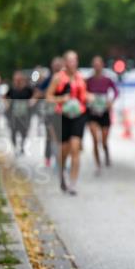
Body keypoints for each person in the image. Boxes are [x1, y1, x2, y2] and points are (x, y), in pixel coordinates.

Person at [47, 50, 87, 195]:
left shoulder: (81, 78)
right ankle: (62, 171)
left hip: (78, 115)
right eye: (70, 60)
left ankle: (73, 183)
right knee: (64, 151)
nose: (73, 63)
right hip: (63, 116)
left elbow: (84, 97)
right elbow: (48, 97)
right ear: (65, 63)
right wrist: (60, 99)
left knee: (75, 148)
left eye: (75, 60)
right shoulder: (58, 78)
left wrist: (92, 98)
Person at [86, 55, 119, 173]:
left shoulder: (107, 79)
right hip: (92, 113)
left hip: (104, 112)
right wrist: (88, 98)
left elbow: (116, 91)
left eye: (98, 64)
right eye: (95, 65)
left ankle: (106, 152)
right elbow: (83, 93)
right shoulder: (88, 80)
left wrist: (111, 101)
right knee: (95, 139)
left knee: (103, 141)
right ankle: (97, 164)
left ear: (102, 66)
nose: (97, 67)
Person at [34, 58, 63, 167]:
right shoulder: (48, 79)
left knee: (61, 137)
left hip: (62, 112)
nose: (57, 67)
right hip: (50, 112)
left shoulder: (65, 79)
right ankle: (50, 158)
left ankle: (60, 158)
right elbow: (38, 93)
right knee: (50, 136)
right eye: (55, 65)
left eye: (59, 65)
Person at [5, 70, 34, 155]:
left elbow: (35, 95)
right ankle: (15, 147)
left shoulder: (27, 89)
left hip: (25, 114)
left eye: (19, 79)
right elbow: (5, 97)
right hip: (14, 114)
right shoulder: (12, 89)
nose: (17, 81)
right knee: (13, 131)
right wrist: (7, 103)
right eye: (15, 79)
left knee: (24, 131)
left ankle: (22, 146)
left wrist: (32, 101)